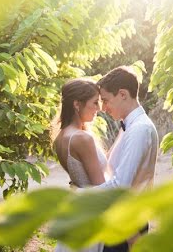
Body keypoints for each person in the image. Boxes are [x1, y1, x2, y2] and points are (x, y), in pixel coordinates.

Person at [96, 66, 159, 251]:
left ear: (123, 94)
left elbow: (121, 186)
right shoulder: (130, 126)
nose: (104, 108)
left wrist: (84, 193)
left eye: (106, 100)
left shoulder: (139, 129)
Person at [52, 78, 108, 252]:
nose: (99, 108)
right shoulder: (82, 138)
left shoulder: (60, 137)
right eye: (94, 102)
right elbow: (101, 187)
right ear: (77, 104)